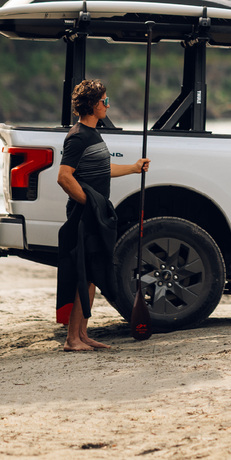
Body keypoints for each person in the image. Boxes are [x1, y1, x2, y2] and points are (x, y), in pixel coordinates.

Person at [57, 79, 150, 352]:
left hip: (93, 214)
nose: (108, 105)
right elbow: (64, 178)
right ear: (95, 104)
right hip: (84, 216)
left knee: (92, 274)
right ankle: (72, 339)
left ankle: (82, 334)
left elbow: (101, 169)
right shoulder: (78, 136)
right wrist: (91, 204)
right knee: (83, 274)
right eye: (105, 101)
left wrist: (133, 168)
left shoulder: (92, 133)